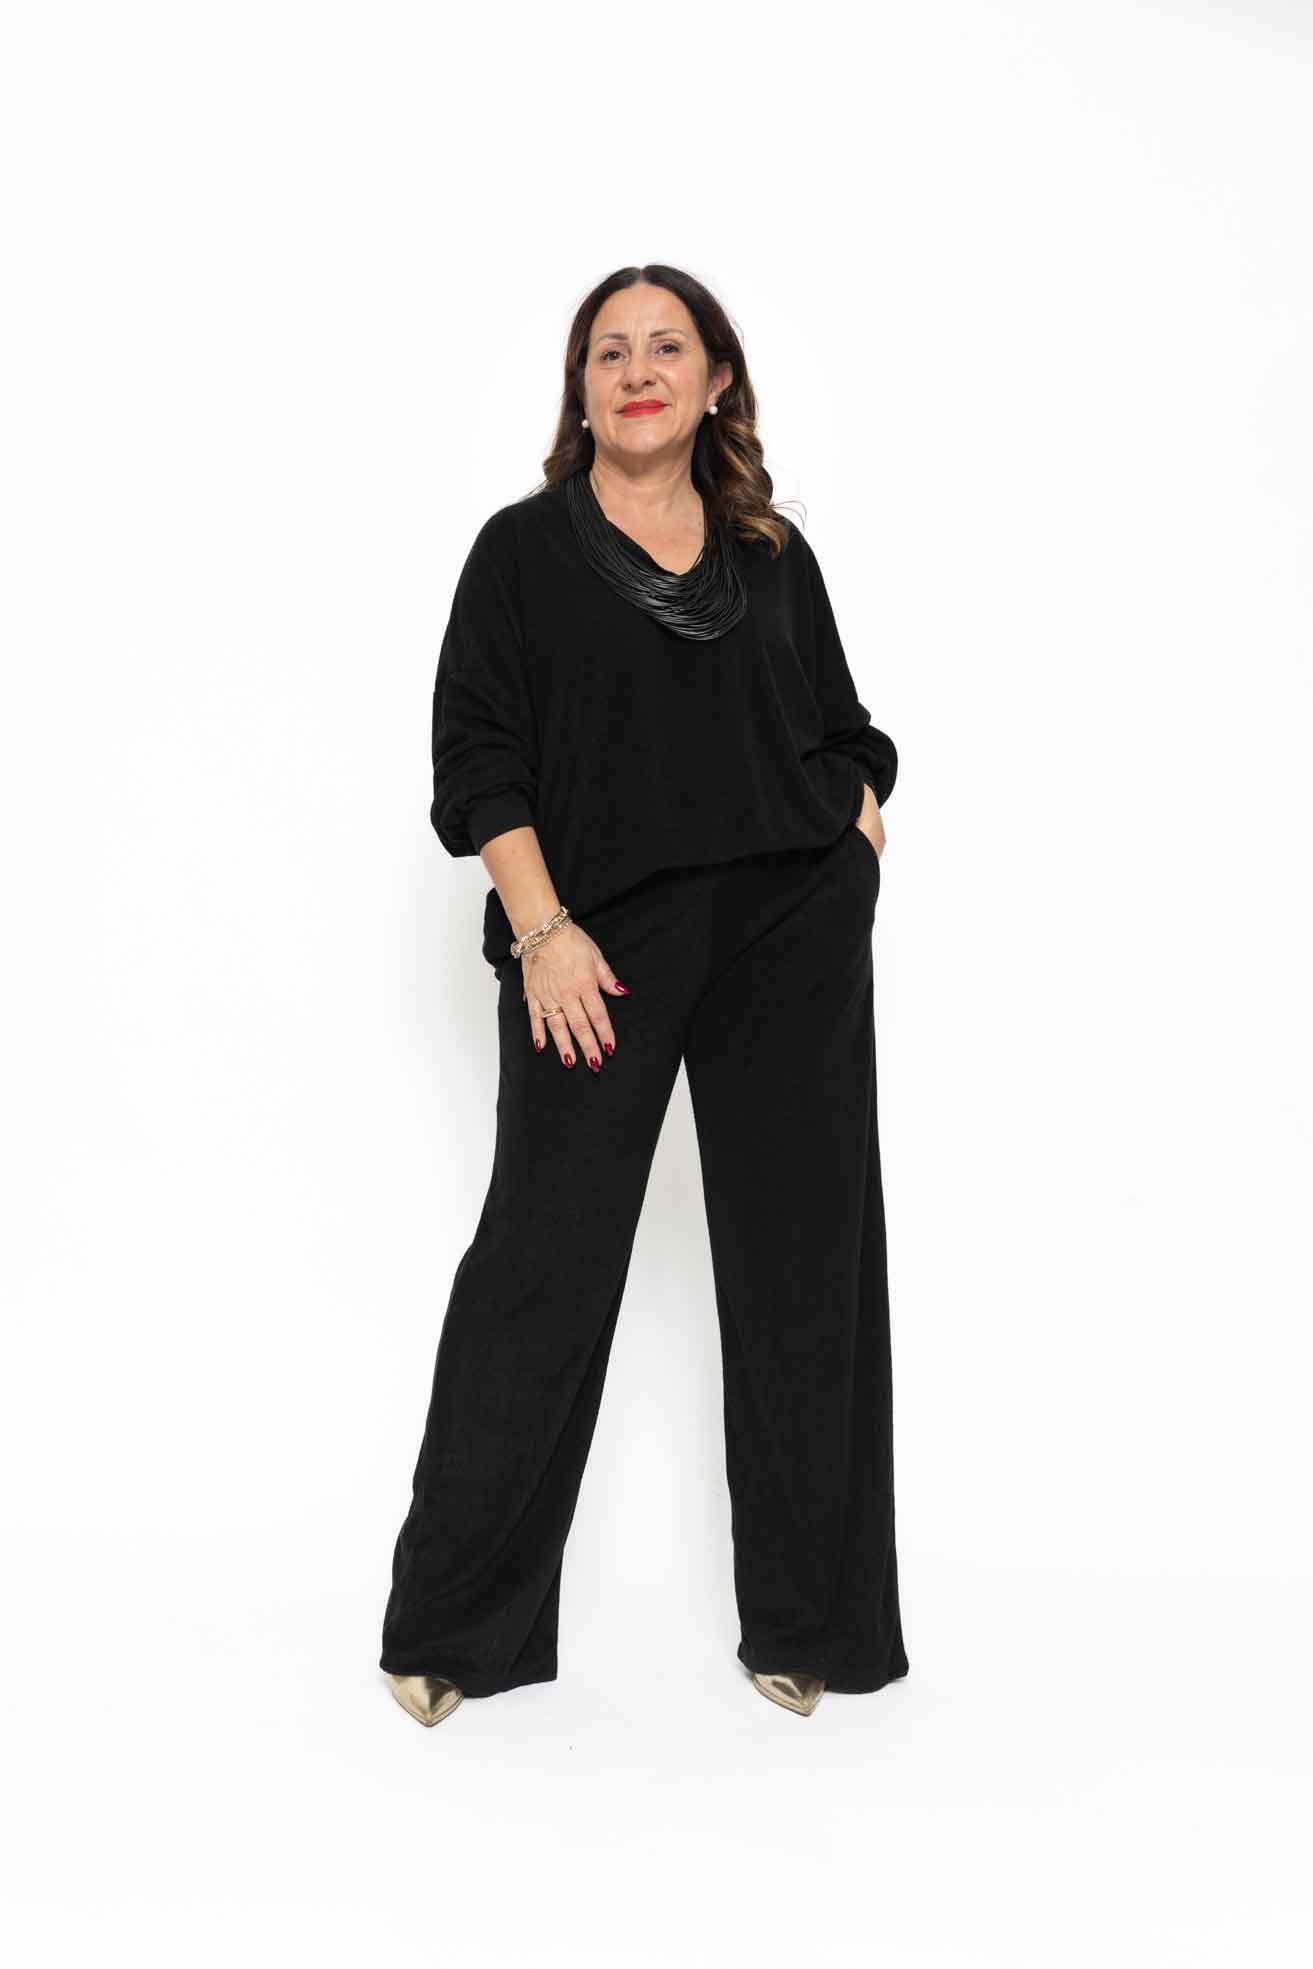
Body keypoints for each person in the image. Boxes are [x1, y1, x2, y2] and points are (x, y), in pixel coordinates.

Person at [379, 263, 910, 1728]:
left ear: (716, 380)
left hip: (785, 928)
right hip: (593, 945)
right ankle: (457, 1631)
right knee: (540, 1263)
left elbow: (844, 726)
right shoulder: (521, 553)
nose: (637, 370)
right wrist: (542, 930)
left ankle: (810, 1620)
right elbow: (477, 758)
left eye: (666, 347)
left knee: (805, 1265)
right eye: (608, 350)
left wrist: (855, 830)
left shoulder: (771, 553)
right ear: (581, 386)